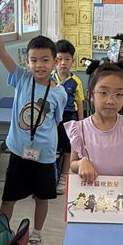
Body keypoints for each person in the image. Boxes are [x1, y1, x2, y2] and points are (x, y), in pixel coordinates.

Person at [0, 9, 67, 245]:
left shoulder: (60, 93)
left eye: (45, 60)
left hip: (44, 155)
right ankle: (0, 235)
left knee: (42, 198)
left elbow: (55, 122)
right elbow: (0, 51)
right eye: (34, 60)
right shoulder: (21, 78)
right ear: (27, 61)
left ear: (54, 61)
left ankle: (37, 235)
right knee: (8, 198)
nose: (39, 65)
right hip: (19, 151)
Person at [66, 62, 123, 196]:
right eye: (103, 93)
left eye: (118, 94)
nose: (110, 101)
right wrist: (82, 163)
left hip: (121, 197)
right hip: (90, 196)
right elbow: (72, 164)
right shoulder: (79, 129)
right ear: (91, 95)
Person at [53, 39, 84, 195]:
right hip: (52, 119)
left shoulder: (76, 81)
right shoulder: (50, 78)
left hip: (69, 118)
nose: (63, 63)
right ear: (54, 60)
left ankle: (63, 177)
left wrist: (81, 124)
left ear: (73, 61)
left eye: (67, 59)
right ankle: (51, 177)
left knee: (67, 150)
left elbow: (80, 103)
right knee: (52, 148)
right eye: (59, 59)